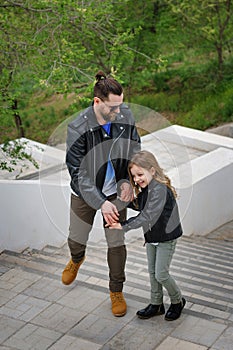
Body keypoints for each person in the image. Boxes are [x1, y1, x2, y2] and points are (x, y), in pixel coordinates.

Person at [62, 70, 141, 317]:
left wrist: (128, 180)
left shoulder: (124, 114)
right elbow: (78, 173)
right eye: (113, 108)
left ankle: (116, 290)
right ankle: (76, 258)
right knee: (76, 238)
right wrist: (100, 202)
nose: (119, 112)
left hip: (116, 192)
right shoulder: (77, 128)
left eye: (120, 105)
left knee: (116, 243)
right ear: (97, 102)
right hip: (86, 193)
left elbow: (135, 147)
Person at [107, 150, 186, 321]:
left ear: (152, 170)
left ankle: (177, 301)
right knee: (152, 273)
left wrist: (123, 225)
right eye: (134, 176)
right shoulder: (146, 190)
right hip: (152, 238)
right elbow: (140, 206)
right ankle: (156, 304)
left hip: (166, 238)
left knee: (161, 274)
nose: (136, 180)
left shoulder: (161, 191)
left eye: (139, 174)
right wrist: (125, 201)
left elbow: (147, 215)